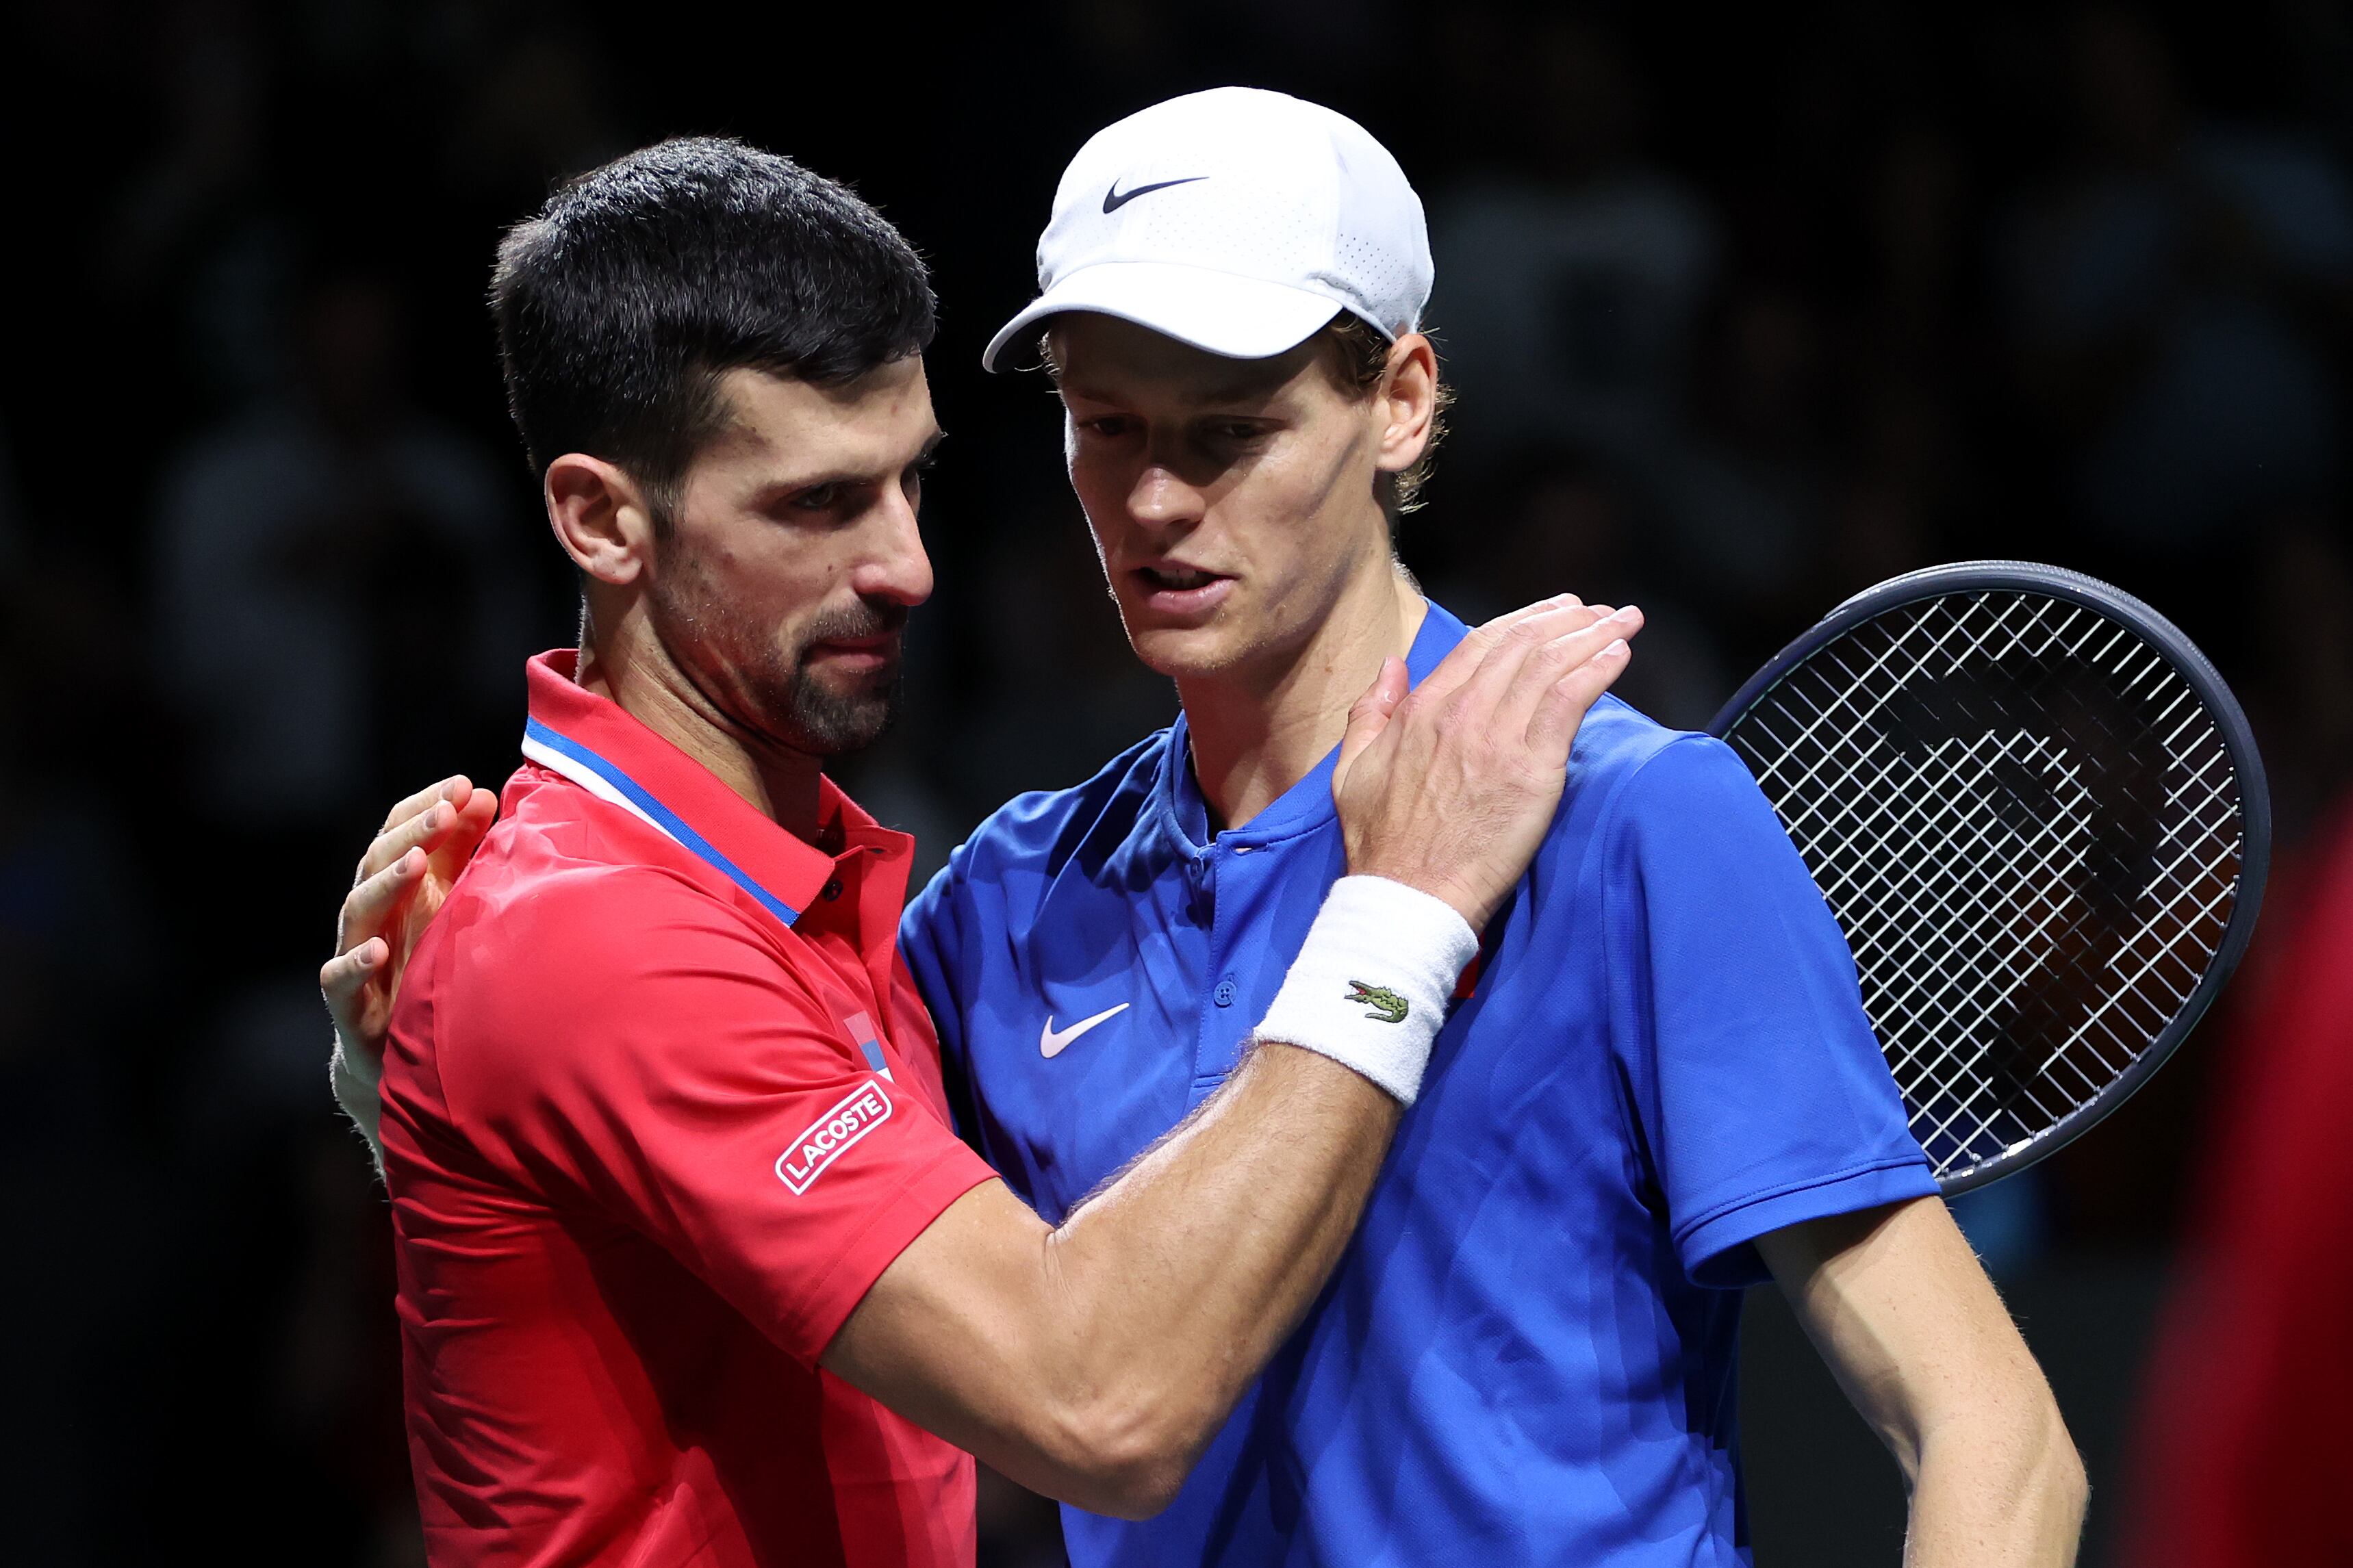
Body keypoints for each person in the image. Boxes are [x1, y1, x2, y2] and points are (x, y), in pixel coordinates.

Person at [333, 94, 2089, 1565]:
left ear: (1401, 402)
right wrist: (442, 1088)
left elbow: (1998, 1439)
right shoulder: (1006, 902)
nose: (1159, 503)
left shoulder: (1632, 822)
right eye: (1110, 431)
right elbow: (910, 1333)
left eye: (1233, 431)